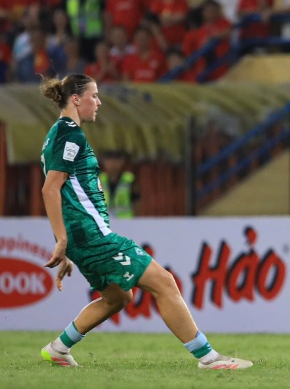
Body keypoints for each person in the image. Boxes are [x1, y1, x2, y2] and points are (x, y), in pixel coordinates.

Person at [38, 74, 252, 370]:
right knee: (164, 282)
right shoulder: (69, 133)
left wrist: (66, 241)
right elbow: (50, 188)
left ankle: (58, 349)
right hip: (91, 235)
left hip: (81, 237)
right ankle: (208, 358)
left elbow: (61, 190)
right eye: (94, 95)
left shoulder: (56, 133)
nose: (99, 102)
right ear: (76, 99)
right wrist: (63, 240)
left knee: (118, 297)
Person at [100, 150, 138, 219]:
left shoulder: (129, 179)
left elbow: (137, 202)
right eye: (109, 160)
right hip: (104, 222)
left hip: (125, 222)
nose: (113, 164)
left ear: (122, 162)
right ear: (104, 162)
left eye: (116, 160)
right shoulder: (99, 180)